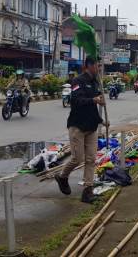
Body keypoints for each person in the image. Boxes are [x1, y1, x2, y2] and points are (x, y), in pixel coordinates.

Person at [55, 57, 105, 203]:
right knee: (77, 158)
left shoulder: (96, 82)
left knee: (91, 159)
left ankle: (87, 191)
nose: (99, 68)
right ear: (89, 66)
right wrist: (94, 100)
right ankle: (62, 177)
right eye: (97, 65)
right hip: (77, 126)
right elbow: (76, 101)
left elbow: (93, 108)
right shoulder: (78, 81)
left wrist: (102, 121)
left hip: (91, 127)